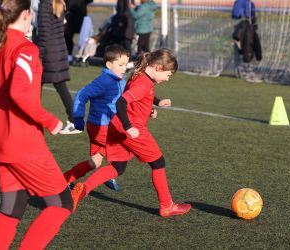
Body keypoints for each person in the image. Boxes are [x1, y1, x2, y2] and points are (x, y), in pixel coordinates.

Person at [0, 0, 73, 248]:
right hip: (23, 144)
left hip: (0, 143)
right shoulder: (25, 48)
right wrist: (50, 121)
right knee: (62, 203)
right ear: (25, 14)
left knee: (12, 209)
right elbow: (18, 93)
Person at [71, 48, 191, 217]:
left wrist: (152, 107)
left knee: (118, 167)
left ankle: (83, 188)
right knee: (158, 162)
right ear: (158, 68)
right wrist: (129, 127)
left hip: (115, 126)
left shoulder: (138, 75)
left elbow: (137, 99)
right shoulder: (144, 83)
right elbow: (121, 102)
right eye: (169, 75)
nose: (167, 79)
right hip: (132, 130)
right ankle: (167, 206)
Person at [63, 44, 130, 191]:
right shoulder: (104, 81)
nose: (124, 68)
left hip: (105, 126)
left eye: (126, 64)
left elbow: (127, 99)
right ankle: (108, 175)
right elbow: (82, 94)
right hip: (101, 126)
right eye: (120, 64)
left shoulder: (121, 80)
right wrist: (78, 117)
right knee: (125, 146)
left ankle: (65, 179)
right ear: (109, 64)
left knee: (95, 162)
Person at [37, 0, 81, 134]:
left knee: (37, 87)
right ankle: (75, 121)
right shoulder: (58, 2)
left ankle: (75, 122)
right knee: (57, 87)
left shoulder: (45, 4)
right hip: (58, 50)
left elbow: (44, 33)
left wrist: (38, 53)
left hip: (49, 53)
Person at [231, 0, 261, 78]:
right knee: (248, 48)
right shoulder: (248, 4)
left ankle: (239, 70)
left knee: (239, 50)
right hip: (245, 29)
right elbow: (250, 17)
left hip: (239, 29)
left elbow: (235, 15)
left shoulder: (238, 2)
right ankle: (245, 70)